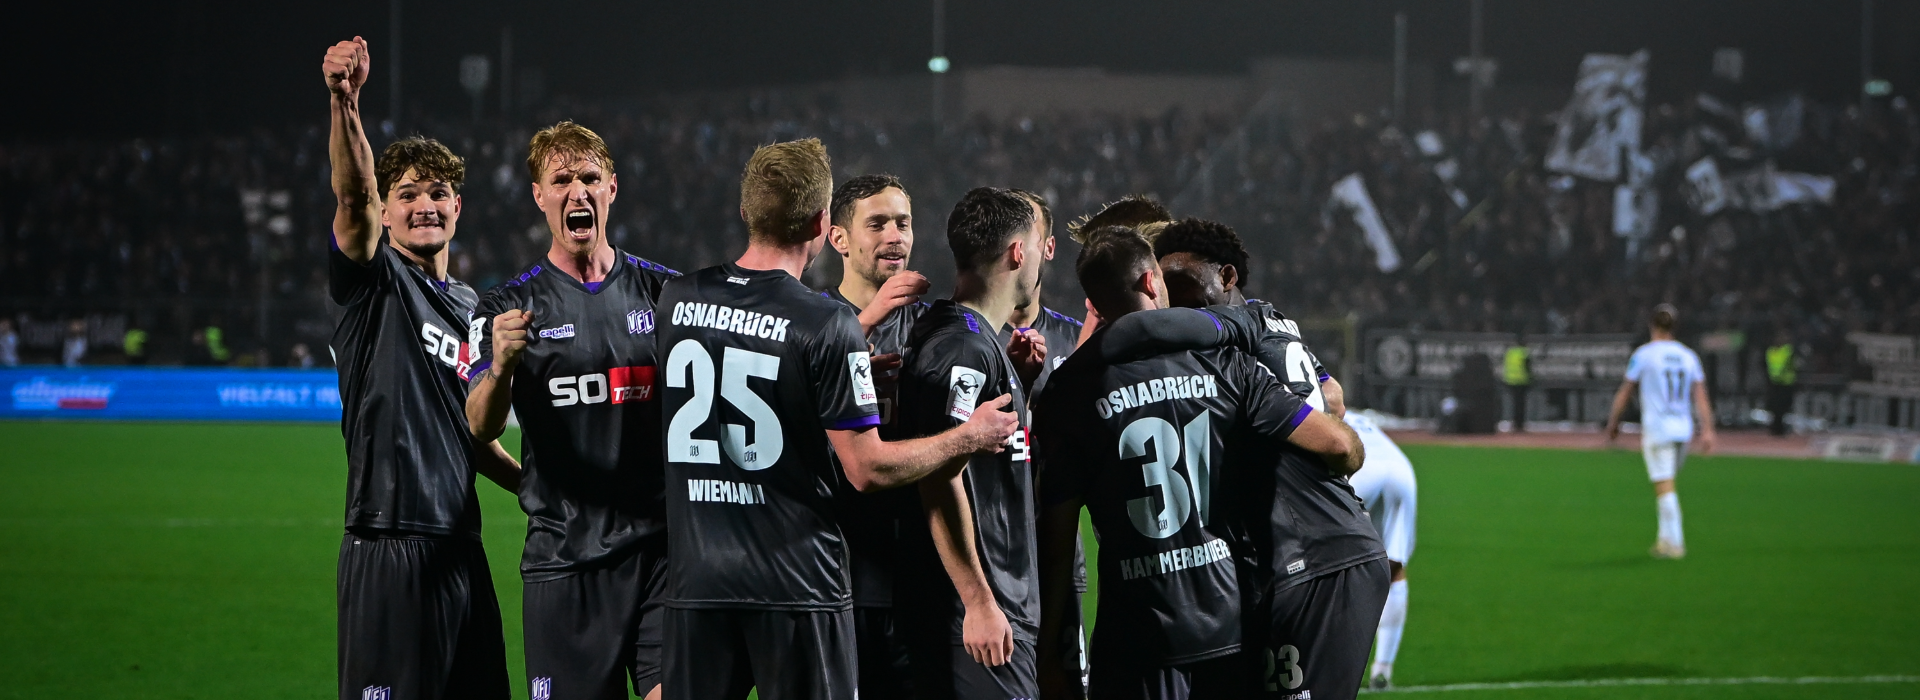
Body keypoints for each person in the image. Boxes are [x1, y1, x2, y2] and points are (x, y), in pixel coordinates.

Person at [656, 138, 1020, 700]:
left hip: (696, 580)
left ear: (747, 210)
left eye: (903, 222)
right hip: (797, 582)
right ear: (824, 226)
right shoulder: (824, 322)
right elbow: (866, 469)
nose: (894, 235)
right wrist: (968, 436)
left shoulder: (676, 298)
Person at [1034, 226, 1366, 700]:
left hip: (1135, 636)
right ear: (1150, 281)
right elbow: (1336, 444)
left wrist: (1048, 650)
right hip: (1226, 624)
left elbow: (1057, 542)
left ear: (1095, 303)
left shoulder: (1067, 394)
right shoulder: (1223, 362)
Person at [321, 36, 521, 700]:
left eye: (438, 192)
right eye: (406, 194)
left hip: (460, 545)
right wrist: (346, 104)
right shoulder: (372, 280)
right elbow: (352, 197)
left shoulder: (472, 308)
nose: (424, 205)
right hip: (387, 538)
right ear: (385, 210)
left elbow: (471, 433)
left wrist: (534, 489)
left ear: (458, 207)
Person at [464, 121, 680, 700]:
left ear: (612, 187)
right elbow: (479, 424)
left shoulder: (667, 293)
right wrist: (502, 367)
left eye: (589, 177)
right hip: (565, 561)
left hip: (660, 554)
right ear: (539, 195)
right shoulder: (507, 305)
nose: (577, 191)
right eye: (561, 180)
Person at [894, 187, 1050, 699]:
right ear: (1018, 252)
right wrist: (979, 601)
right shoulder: (963, 347)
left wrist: (1017, 383)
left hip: (989, 609)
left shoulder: (969, 336)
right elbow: (939, 475)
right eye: (1038, 245)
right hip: (981, 617)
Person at [821, 173, 927, 698]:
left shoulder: (937, 327)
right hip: (837, 578)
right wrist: (858, 331)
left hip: (923, 581)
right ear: (839, 238)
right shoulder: (811, 321)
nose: (894, 236)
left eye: (903, 224)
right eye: (878, 224)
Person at [1002, 189, 1092, 693]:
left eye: (1027, 230)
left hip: (1056, 556)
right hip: (990, 558)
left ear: (1049, 248)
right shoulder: (966, 336)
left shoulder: (1076, 342)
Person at [1605, 304, 1715, 560]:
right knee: (1668, 482)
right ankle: (1664, 539)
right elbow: (1701, 396)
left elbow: (1625, 391)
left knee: (1664, 486)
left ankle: (1675, 542)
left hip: (1658, 429)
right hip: (1683, 430)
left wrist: (1613, 423)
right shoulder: (1688, 356)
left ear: (1651, 325)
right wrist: (1708, 430)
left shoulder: (1644, 355)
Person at [1341, 413, 1417, 691]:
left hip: (1359, 469)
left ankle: (1336, 666)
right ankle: (1382, 670)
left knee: (1331, 568)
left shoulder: (1307, 405)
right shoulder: (1357, 414)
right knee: (1393, 568)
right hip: (1401, 470)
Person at [1765, 329, 1799, 437]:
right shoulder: (1770, 351)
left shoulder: (1788, 350)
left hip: (1786, 383)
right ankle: (1776, 428)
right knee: (1775, 407)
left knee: (1784, 407)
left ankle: (1780, 427)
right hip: (1774, 383)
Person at [1503, 336, 1531, 432]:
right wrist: (1531, 379)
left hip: (1510, 380)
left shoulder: (1510, 352)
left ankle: (1515, 423)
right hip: (1522, 381)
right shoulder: (1524, 353)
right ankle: (1520, 425)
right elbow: (1528, 367)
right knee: (1521, 405)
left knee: (1514, 404)